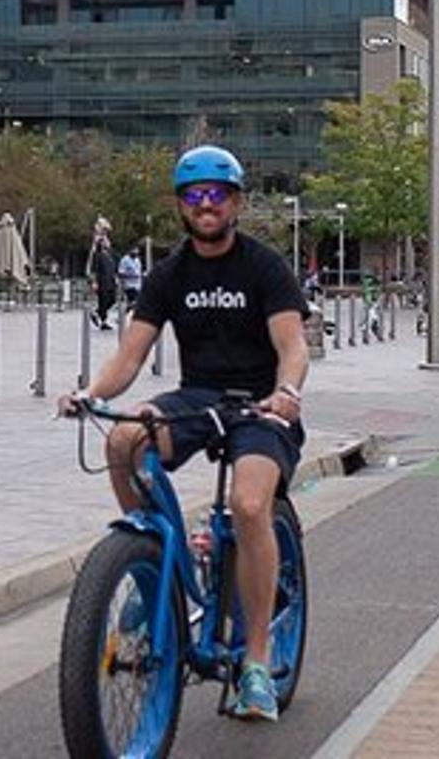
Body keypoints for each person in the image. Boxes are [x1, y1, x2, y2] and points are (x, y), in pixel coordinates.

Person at [58, 144, 309, 723]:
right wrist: (92, 395)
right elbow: (129, 357)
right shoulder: (169, 274)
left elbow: (291, 346)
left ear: (236, 202)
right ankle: (152, 566)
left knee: (249, 506)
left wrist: (287, 394)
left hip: (260, 404)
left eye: (217, 195)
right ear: (180, 206)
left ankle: (255, 664)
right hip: (198, 399)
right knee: (123, 441)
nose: (206, 205)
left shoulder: (264, 266)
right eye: (195, 196)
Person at [87, 218, 119, 331]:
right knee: (103, 300)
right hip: (102, 280)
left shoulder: (109, 254)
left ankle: (97, 313)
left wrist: (115, 277)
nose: (108, 242)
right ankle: (103, 320)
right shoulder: (98, 254)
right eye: (105, 241)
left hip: (110, 280)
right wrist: (94, 281)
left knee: (112, 299)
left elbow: (113, 267)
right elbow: (94, 267)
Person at [117, 245, 144, 310]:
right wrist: (132, 276)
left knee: (137, 303)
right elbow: (120, 273)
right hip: (129, 285)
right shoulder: (125, 260)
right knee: (133, 302)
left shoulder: (137, 260)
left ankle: (129, 314)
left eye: (137, 250)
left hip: (138, 285)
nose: (136, 252)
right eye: (134, 250)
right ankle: (128, 314)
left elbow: (139, 271)